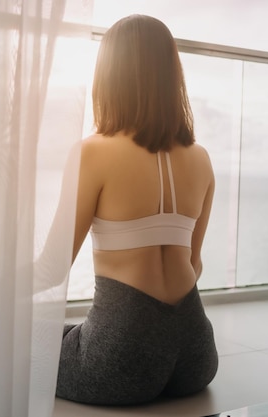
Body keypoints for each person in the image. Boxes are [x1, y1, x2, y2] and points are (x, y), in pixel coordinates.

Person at [55, 14, 218, 405]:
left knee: (12, 340)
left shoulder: (93, 152)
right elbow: (194, 265)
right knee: (68, 332)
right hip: (196, 358)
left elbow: (52, 268)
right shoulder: (201, 158)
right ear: (171, 73)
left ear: (109, 73)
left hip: (120, 363)